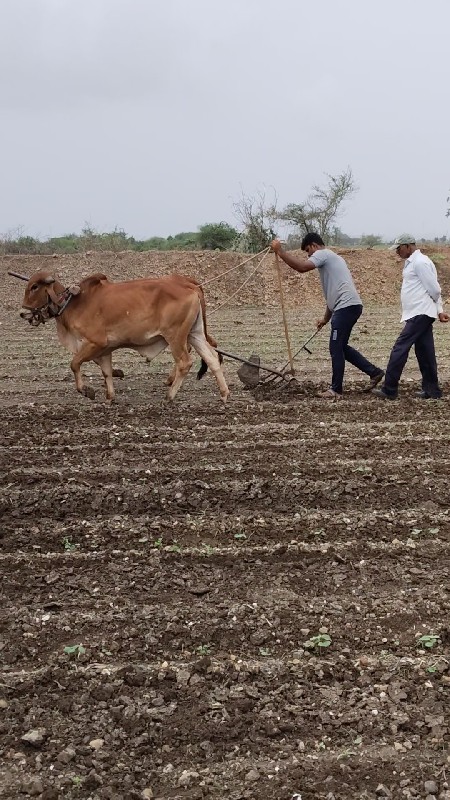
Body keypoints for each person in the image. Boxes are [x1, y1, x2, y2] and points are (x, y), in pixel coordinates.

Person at [270, 233, 384, 401]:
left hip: (346, 307)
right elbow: (333, 296)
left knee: (335, 347)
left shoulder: (323, 254)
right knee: (341, 346)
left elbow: (302, 267)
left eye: (308, 250)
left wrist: (280, 252)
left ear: (315, 245)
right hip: (349, 306)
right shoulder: (332, 259)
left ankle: (336, 389)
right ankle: (374, 372)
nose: (309, 255)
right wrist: (325, 319)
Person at [372, 234, 448, 400]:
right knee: (425, 351)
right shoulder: (415, 262)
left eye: (398, 248)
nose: (397, 252)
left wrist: (439, 309)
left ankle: (389, 389)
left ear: (407, 246)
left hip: (420, 313)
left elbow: (435, 289)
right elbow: (434, 288)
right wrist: (439, 310)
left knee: (400, 347)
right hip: (421, 312)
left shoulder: (420, 263)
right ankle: (432, 390)